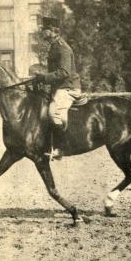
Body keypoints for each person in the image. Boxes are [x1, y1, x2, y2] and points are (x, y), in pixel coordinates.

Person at [35, 16, 81, 159]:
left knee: (53, 112)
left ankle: (60, 149)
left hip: (68, 87)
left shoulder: (63, 48)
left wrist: (44, 77)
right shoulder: (54, 47)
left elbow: (64, 72)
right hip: (58, 87)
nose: (42, 32)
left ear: (53, 31)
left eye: (44, 29)